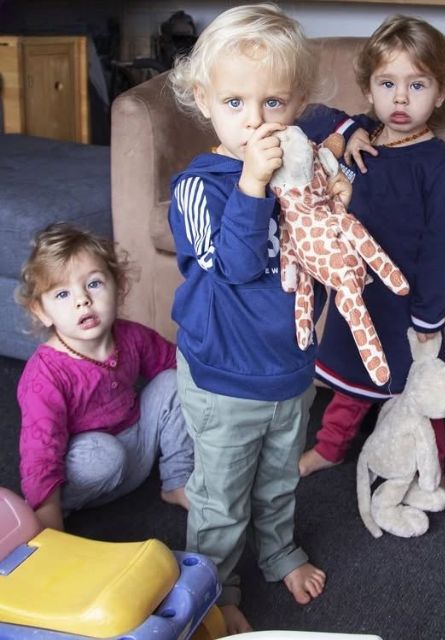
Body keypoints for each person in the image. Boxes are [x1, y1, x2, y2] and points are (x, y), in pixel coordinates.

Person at [166, 3, 356, 633]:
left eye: (273, 103)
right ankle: (214, 589)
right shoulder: (198, 188)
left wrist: (338, 197)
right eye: (235, 103)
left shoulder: (300, 166)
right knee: (220, 497)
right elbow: (235, 267)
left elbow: (326, 249)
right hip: (224, 376)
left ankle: (277, 551)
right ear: (204, 100)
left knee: (278, 479)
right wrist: (251, 185)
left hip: (290, 367)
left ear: (296, 104)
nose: (255, 121)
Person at [299, 15, 445, 478]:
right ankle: (331, 447)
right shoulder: (361, 134)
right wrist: (345, 128)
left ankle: (431, 468)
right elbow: (304, 117)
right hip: (358, 290)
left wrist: (428, 316)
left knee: (420, 386)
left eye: (417, 85)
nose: (400, 98)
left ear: (440, 93)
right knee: (352, 377)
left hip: (406, 301)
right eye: (387, 83)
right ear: (368, 89)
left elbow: (442, 247)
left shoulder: (440, 165)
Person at [16, 222, 194, 531]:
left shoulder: (131, 336)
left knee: (175, 378)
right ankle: (62, 509)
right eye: (62, 294)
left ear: (118, 286)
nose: (82, 300)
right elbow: (41, 451)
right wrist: (48, 520)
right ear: (41, 311)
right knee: (103, 454)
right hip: (92, 467)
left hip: (137, 448)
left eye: (94, 284)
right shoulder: (44, 376)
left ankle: (177, 480)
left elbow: (176, 363)